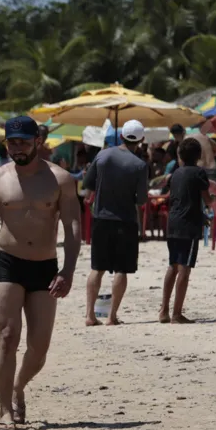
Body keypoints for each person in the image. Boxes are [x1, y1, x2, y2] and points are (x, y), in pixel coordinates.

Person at [0, 116, 81, 430]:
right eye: (12, 142)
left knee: (39, 348)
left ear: (37, 141)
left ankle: (18, 386)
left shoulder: (61, 179)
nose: (18, 148)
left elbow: (72, 228)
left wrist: (68, 270)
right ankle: (4, 410)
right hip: (8, 263)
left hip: (45, 267)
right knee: (6, 336)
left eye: (24, 142)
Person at [82, 120, 149, 326]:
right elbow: (141, 200)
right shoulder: (140, 165)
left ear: (121, 137)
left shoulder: (102, 156)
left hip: (101, 218)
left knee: (97, 268)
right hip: (126, 220)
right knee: (121, 269)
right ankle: (111, 316)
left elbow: (88, 184)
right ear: (141, 140)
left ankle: (90, 316)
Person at [159, 138, 214, 324]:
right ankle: (176, 314)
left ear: (180, 155)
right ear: (199, 156)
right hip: (188, 226)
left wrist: (200, 214)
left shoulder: (175, 174)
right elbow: (207, 200)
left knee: (173, 266)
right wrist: (213, 201)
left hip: (173, 223)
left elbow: (182, 199)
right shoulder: (199, 172)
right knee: (185, 270)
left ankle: (164, 311)